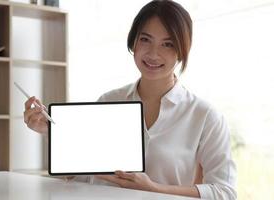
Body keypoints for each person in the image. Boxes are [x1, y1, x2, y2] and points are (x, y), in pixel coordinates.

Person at [23, 0, 237, 199]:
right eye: (145, 39)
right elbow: (84, 178)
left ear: (182, 51)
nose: (153, 53)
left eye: (168, 44)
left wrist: (153, 189)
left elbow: (225, 192)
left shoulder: (204, 115)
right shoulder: (108, 101)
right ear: (133, 42)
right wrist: (50, 133)